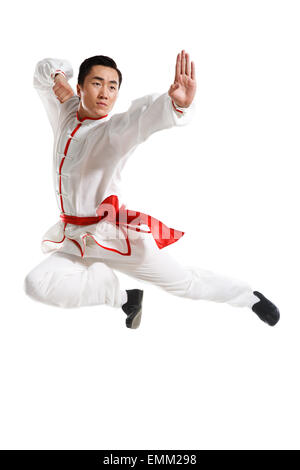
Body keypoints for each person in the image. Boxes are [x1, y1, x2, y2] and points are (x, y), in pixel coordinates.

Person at [24, 50, 280, 329]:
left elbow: (141, 121)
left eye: (112, 87)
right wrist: (57, 77)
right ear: (80, 87)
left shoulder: (112, 132)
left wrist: (176, 106)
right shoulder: (66, 110)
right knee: (36, 284)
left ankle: (248, 297)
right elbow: (42, 72)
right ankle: (123, 298)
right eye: (97, 83)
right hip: (74, 239)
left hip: (114, 236)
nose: (105, 93)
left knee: (182, 282)